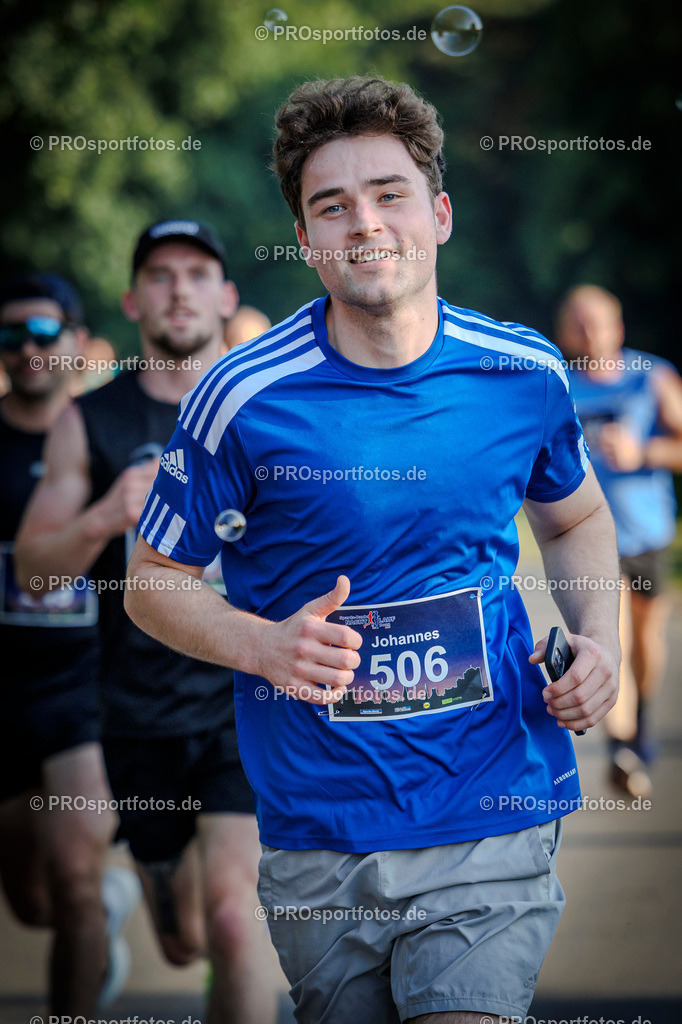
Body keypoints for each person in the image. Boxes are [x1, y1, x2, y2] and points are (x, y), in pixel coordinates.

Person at [124, 78, 620, 1024]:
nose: (365, 223)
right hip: (321, 830)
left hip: (493, 804)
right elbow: (151, 582)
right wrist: (262, 645)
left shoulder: (521, 373)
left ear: (439, 214)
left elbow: (574, 519)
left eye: (390, 194)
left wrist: (602, 640)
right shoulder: (242, 398)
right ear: (305, 239)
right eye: (332, 206)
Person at [14, 225, 279, 1024]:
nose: (179, 290)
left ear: (226, 297)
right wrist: (104, 515)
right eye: (160, 276)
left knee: (233, 917)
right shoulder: (89, 420)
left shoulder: (268, 411)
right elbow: (33, 572)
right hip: (135, 709)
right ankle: (151, 892)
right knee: (185, 938)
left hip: (244, 692)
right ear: (133, 301)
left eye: (198, 274)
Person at [0, 272, 140, 1015]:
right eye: (11, 334)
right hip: (7, 688)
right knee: (31, 900)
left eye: (44, 332)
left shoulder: (108, 435)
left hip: (84, 685)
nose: (28, 347)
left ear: (78, 343)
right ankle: (110, 908)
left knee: (75, 878)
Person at [556, 284, 682, 796]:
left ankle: (641, 725)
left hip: (648, 534)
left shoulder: (652, 377)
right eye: (579, 323)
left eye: (599, 322)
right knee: (614, 638)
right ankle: (622, 748)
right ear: (566, 331)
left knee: (647, 641)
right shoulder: (558, 384)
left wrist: (642, 453)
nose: (590, 333)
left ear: (619, 326)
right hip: (592, 541)